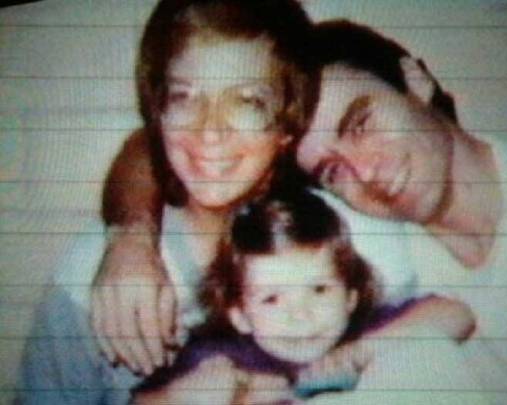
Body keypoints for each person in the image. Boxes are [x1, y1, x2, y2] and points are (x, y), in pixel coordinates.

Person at [95, 17, 507, 403]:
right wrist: (131, 242)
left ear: (415, 81)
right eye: (331, 170)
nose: (365, 171)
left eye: (361, 123)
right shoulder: (358, 230)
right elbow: (152, 145)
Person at [18, 0, 319, 403]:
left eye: (248, 101)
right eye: (185, 97)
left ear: (287, 129)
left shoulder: (328, 235)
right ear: (158, 112)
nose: (210, 131)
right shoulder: (94, 275)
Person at [131, 189, 474, 405]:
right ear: (240, 316)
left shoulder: (357, 334)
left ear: (351, 297)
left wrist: (362, 351)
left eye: (320, 289)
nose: (301, 315)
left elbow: (457, 316)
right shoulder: (221, 356)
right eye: (272, 299)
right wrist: (181, 397)